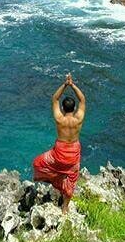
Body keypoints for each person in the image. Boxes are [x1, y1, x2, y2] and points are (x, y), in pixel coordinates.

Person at [32, 73, 86, 214]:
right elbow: (82, 100)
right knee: (72, 179)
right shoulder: (78, 119)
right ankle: (65, 207)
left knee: (38, 163)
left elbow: (54, 99)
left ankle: (56, 179)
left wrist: (64, 84)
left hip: (59, 153)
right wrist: (72, 85)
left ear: (62, 108)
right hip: (73, 154)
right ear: (74, 109)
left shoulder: (59, 119)